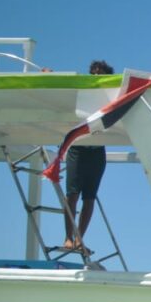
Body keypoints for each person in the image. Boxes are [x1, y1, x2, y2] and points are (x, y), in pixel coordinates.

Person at [62, 59, 114, 252]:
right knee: (72, 195)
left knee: (89, 197)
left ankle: (79, 239)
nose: (95, 77)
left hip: (97, 150)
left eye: (100, 74)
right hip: (78, 147)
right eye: (93, 74)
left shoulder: (110, 96)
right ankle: (68, 237)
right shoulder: (82, 92)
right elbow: (66, 92)